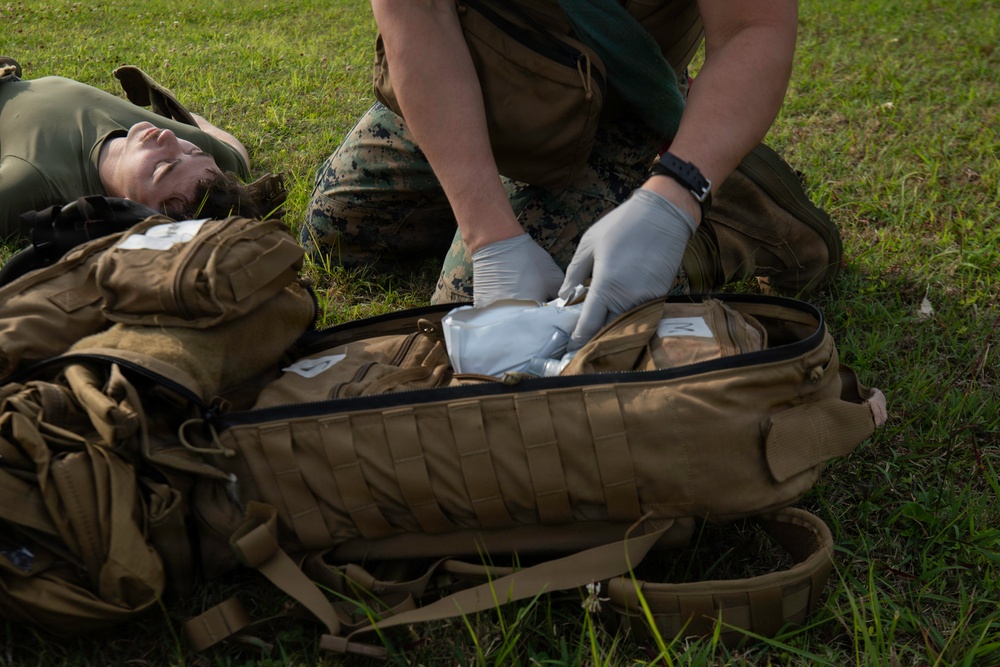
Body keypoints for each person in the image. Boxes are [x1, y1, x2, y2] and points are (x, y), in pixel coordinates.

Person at [303, 1, 842, 346]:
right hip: (479, 70)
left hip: (610, 102)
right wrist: (488, 234)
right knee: (338, 232)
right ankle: (514, 202)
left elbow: (754, 27)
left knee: (494, 324)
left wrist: (671, 201)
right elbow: (416, 11)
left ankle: (721, 219)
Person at [0, 60, 273, 238]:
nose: (168, 137)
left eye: (163, 167)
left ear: (137, 211)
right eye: (192, 152)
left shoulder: (31, 182)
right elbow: (235, 154)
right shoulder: (198, 156)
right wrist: (193, 120)